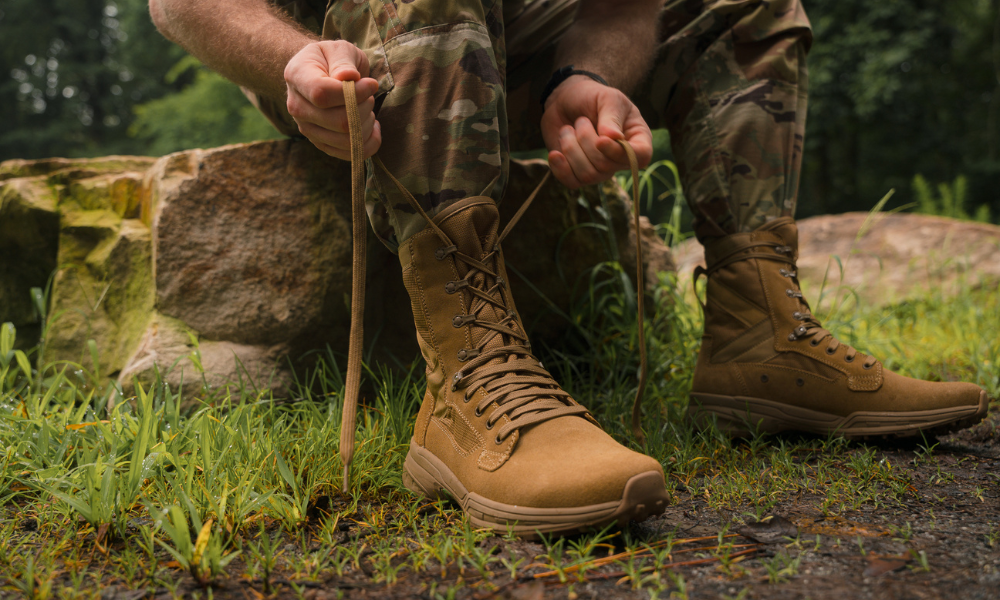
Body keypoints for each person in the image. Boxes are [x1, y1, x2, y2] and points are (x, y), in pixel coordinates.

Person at [149, 0, 990, 536]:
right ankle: (468, 375)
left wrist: (585, 75)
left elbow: (623, 2)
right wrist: (292, 60)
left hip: (520, 42)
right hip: (346, 59)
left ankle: (758, 328)